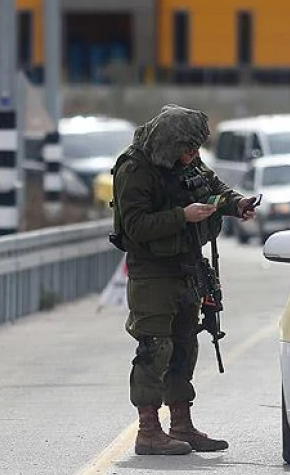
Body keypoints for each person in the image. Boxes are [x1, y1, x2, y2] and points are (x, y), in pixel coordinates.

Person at [110, 104, 258, 456]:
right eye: (187, 149)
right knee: (154, 348)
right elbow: (136, 226)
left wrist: (235, 204)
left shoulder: (187, 162)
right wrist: (182, 216)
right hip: (152, 273)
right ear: (169, 143)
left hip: (187, 268)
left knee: (184, 345)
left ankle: (182, 424)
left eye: (194, 150)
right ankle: (148, 430)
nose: (192, 156)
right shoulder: (135, 169)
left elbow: (211, 185)